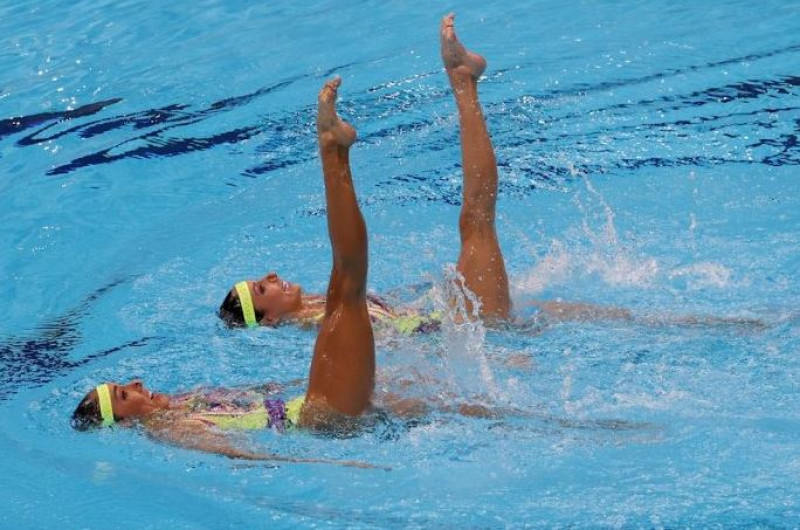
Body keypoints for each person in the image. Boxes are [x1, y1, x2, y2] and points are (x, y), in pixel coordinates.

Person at [217, 15, 764, 335]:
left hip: (462, 320)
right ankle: (462, 82)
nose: (270, 277)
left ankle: (746, 324)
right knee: (476, 221)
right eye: (261, 289)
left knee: (629, 318)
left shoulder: (323, 310)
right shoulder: (321, 325)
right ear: (263, 318)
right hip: (470, 331)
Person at [72, 76, 379, 466]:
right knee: (348, 285)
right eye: (123, 395)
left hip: (315, 400)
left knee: (343, 290)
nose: (135, 384)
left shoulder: (180, 404)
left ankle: (334, 150)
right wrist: (332, 463)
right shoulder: (173, 430)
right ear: (121, 424)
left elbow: (255, 403)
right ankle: (332, 151)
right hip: (322, 419)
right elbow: (244, 454)